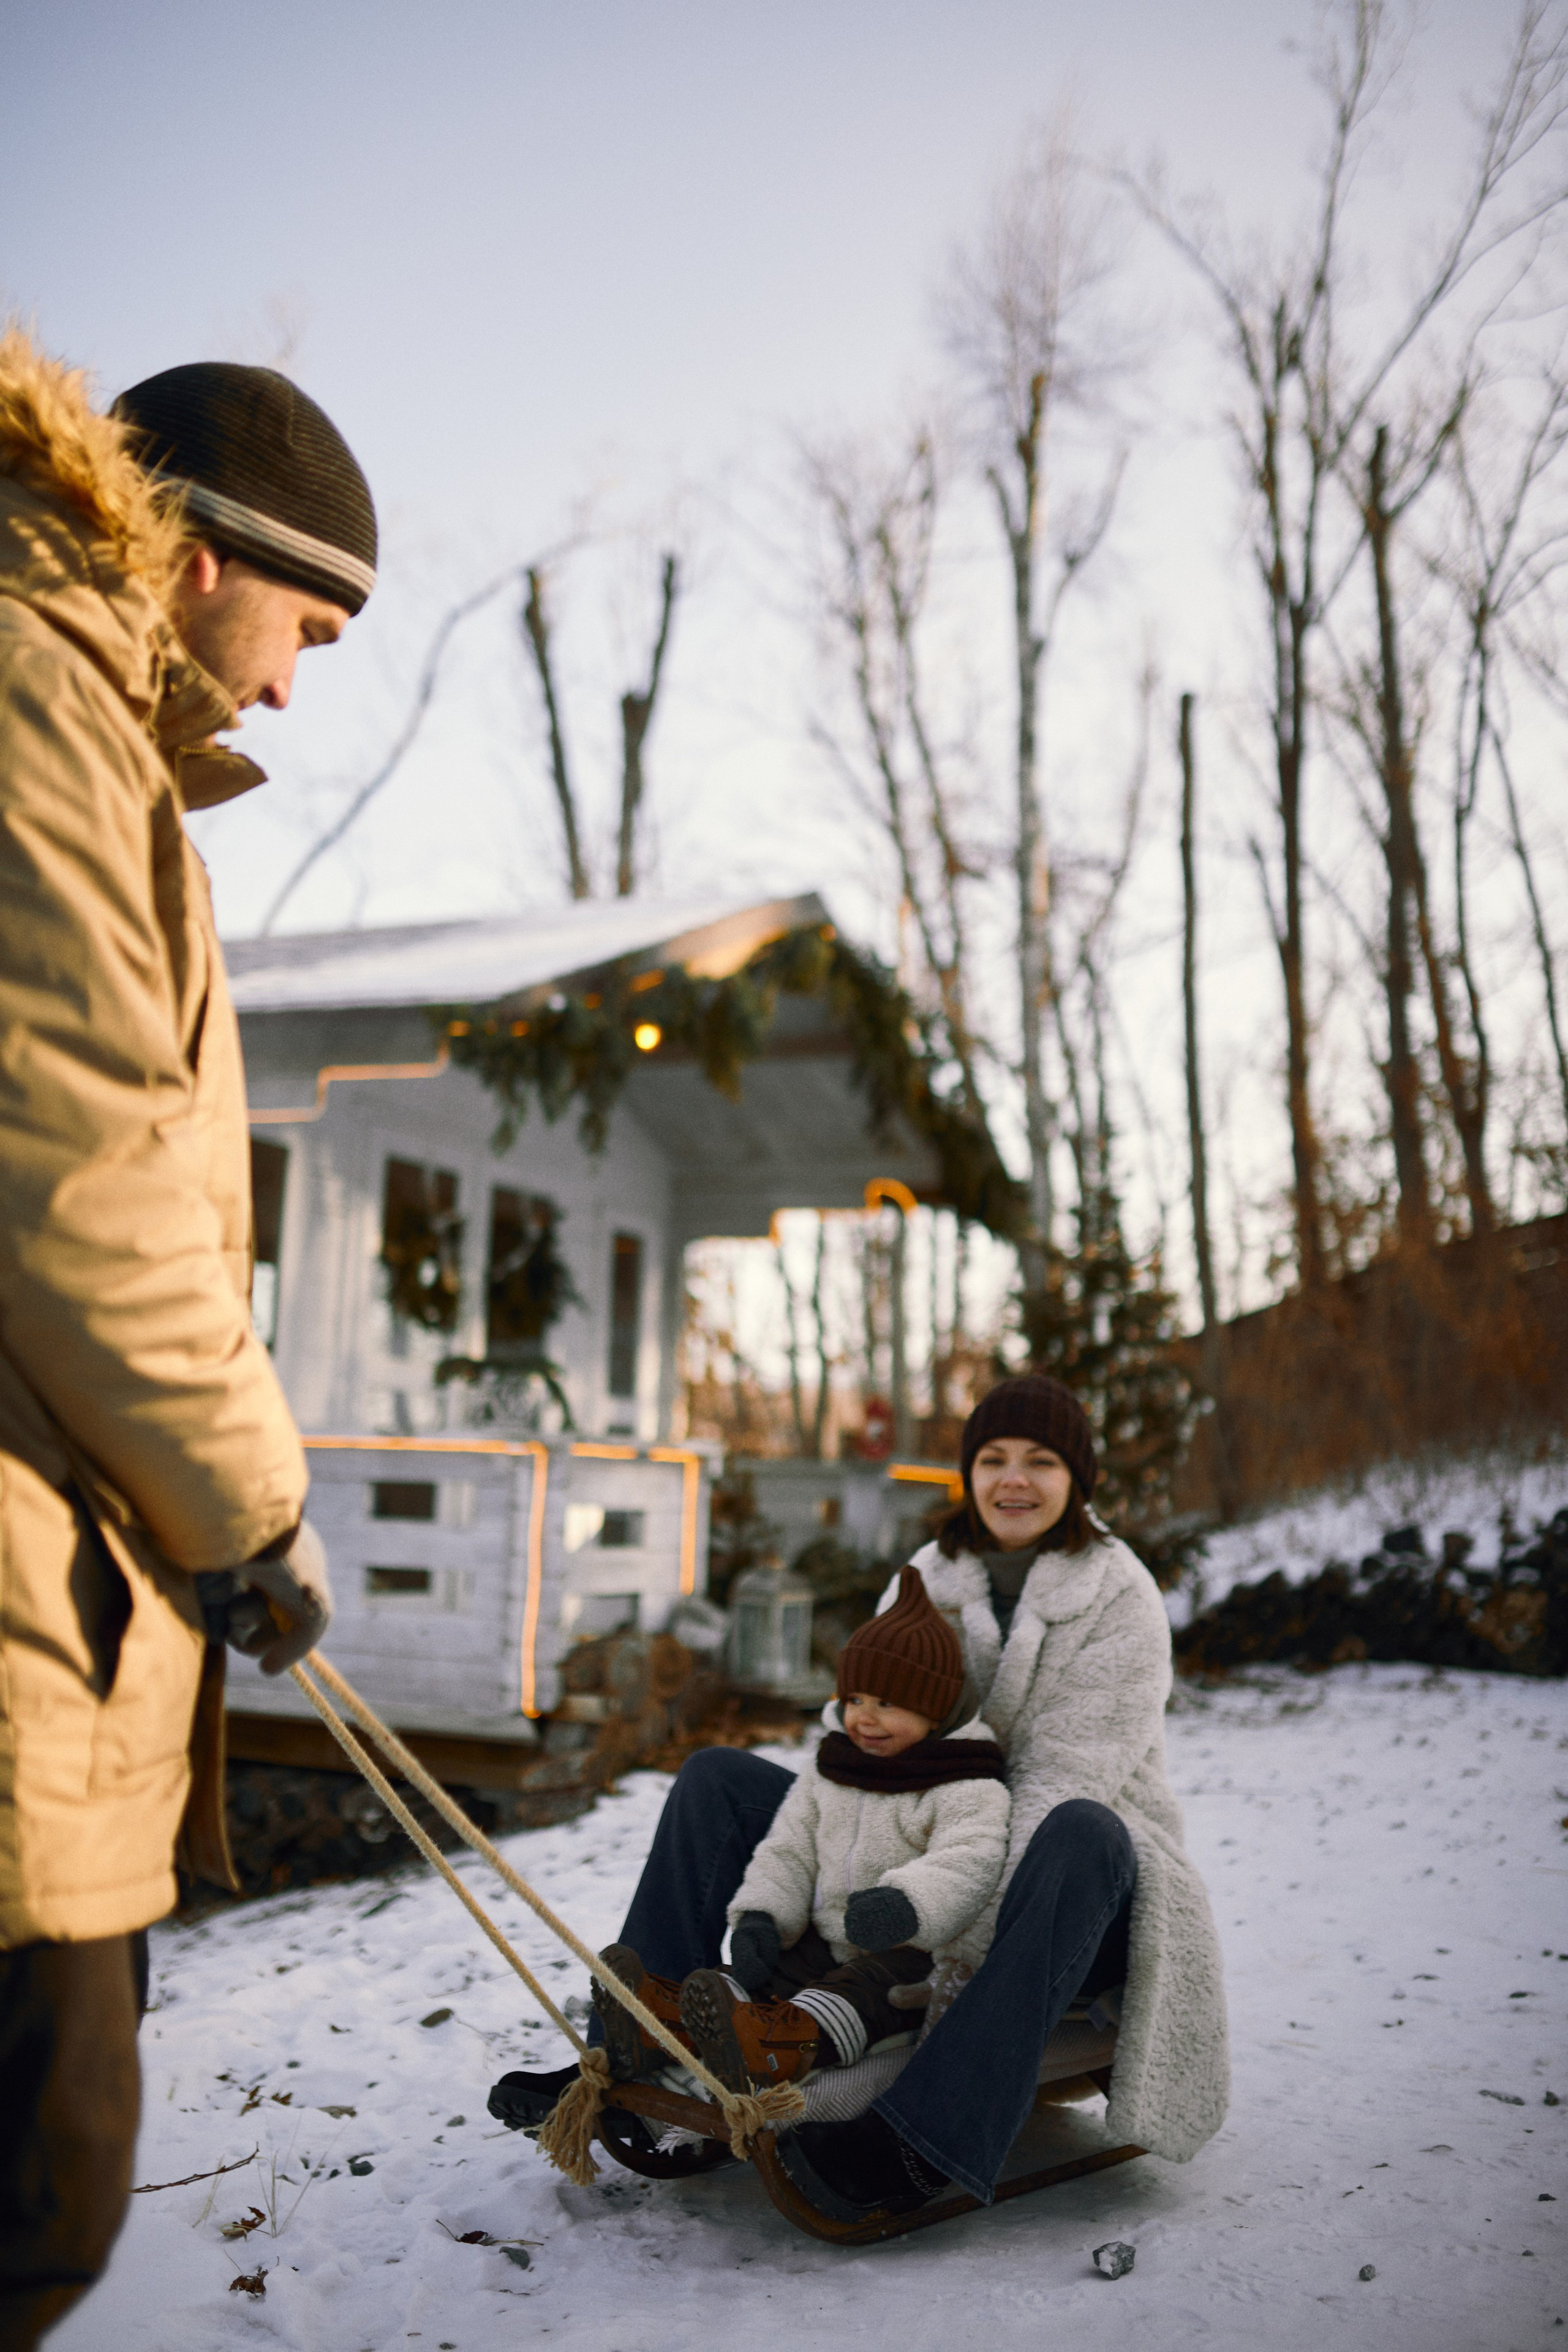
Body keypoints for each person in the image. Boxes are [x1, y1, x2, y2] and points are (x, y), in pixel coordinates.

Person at [0, 330, 375, 2349]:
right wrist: (256, 1506)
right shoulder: (31, 699)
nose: (292, 692)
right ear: (205, 557)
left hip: (55, 1551)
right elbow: (79, 1176)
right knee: (40, 2194)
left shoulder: (73, 724)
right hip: (22, 1576)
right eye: (306, 626)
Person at [492, 1372, 1229, 2225]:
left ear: (1078, 1480)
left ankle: (928, 2139)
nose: (1014, 1481)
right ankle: (623, 2056)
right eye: (993, 1459)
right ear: (968, 1471)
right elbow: (855, 1738)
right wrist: (809, 1878)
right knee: (717, 1781)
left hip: (1071, 1895)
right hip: (909, 1858)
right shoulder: (931, 1574)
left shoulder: (1119, 1596)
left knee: (1082, 1828)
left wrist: (936, 1930)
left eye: (1041, 1461)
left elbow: (1058, 1781)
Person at [596, 1567, 1009, 2095]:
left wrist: (908, 1904)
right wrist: (764, 1917)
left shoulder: (964, 1781)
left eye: (888, 1704)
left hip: (908, 1957)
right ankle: (665, 2025)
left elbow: (970, 1862)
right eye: (856, 1700)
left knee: (856, 1995)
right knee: (756, 1979)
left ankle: (775, 2047)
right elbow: (789, 1848)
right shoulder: (834, 1767)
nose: (865, 1718)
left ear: (937, 1710)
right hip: (824, 1939)